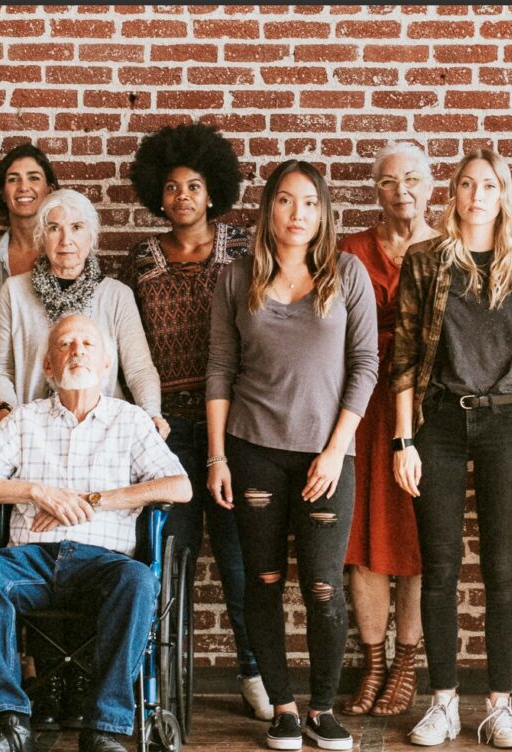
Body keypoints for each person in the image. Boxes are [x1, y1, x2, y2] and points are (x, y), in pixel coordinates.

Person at [0, 314, 191, 752]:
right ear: (48, 367)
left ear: (106, 365)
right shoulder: (24, 421)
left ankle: (105, 727)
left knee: (139, 580)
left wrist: (91, 500)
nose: (76, 350)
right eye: (65, 344)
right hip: (31, 562)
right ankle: (10, 724)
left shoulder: (132, 421)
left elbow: (180, 486)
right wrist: (37, 492)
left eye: (87, 344)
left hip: (103, 566)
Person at [207, 159, 378, 751]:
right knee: (264, 580)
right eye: (285, 200)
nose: (297, 213)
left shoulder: (347, 273)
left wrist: (335, 451)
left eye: (309, 202)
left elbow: (366, 367)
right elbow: (220, 370)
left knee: (325, 588)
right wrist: (216, 458)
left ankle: (323, 710)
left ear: (324, 211)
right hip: (252, 451)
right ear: (268, 209)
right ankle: (283, 709)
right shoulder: (236, 277)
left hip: (325, 458)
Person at [393, 148, 512, 749]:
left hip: (509, 425)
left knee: (504, 572)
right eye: (466, 185)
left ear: (504, 196)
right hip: (442, 426)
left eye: (489, 186)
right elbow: (403, 358)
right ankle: (445, 702)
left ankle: (500, 706)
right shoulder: (426, 261)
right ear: (452, 195)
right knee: (442, 569)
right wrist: (404, 439)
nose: (477, 195)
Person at [123, 121, 268, 721]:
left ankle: (255, 674)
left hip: (231, 427)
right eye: (173, 188)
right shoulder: (142, 259)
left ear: (215, 193)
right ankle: (158, 676)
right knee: (164, 556)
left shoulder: (242, 249)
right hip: (163, 431)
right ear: (159, 194)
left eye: (195, 187)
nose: (183, 197)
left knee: (237, 559)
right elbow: (128, 346)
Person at [338, 142, 438, 718]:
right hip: (360, 408)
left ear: (431, 186)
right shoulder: (351, 249)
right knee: (362, 543)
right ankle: (373, 662)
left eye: (413, 179)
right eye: (388, 181)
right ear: (375, 190)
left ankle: (406, 663)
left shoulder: (448, 249)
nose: (401, 190)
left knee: (417, 540)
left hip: (426, 412)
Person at [0, 189, 165, 437]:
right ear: (41, 236)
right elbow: (0, 368)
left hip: (103, 431)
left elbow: (139, 369)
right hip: (29, 431)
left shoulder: (116, 295)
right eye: (54, 228)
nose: (65, 240)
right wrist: (5, 412)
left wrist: (151, 414)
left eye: (77, 227)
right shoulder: (14, 292)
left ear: (91, 236)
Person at [0, 143, 59, 304]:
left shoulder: (66, 250)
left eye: (33, 178)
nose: (23, 187)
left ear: (49, 191)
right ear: (3, 193)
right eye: (13, 179)